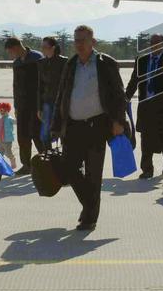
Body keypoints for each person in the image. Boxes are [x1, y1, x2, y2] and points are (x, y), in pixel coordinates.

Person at [50, 25, 130, 231]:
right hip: (74, 126)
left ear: (93, 42)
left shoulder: (106, 64)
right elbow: (62, 95)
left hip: (97, 126)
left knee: (94, 174)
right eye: (76, 40)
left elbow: (119, 95)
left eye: (83, 40)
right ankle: (90, 203)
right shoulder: (71, 64)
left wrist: (118, 121)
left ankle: (89, 218)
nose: (79, 44)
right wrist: (56, 124)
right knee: (68, 168)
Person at [126, 33, 163, 178]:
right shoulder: (141, 61)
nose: (154, 45)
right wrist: (125, 98)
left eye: (157, 42)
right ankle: (147, 169)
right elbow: (134, 81)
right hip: (146, 106)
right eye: (152, 42)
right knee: (145, 140)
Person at [4, 37, 44, 175]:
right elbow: (15, 86)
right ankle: (27, 165)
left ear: (16, 47)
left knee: (37, 134)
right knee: (23, 136)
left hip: (35, 105)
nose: (10, 55)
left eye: (10, 52)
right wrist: (15, 106)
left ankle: (46, 162)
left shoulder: (36, 58)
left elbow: (42, 84)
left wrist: (41, 106)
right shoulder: (16, 63)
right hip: (22, 105)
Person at [37, 36, 67, 147]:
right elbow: (40, 86)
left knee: (63, 131)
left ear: (53, 48)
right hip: (47, 101)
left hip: (61, 101)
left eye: (46, 47)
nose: (43, 49)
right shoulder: (41, 63)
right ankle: (47, 155)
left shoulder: (64, 62)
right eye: (42, 47)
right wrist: (39, 107)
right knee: (45, 133)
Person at [0, 102, 17, 169]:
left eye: (5, 110)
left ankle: (12, 159)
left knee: (8, 153)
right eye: (1, 110)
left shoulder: (9, 118)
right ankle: (1, 165)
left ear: (8, 110)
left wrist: (17, 117)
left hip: (7, 140)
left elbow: (15, 122)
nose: (3, 112)